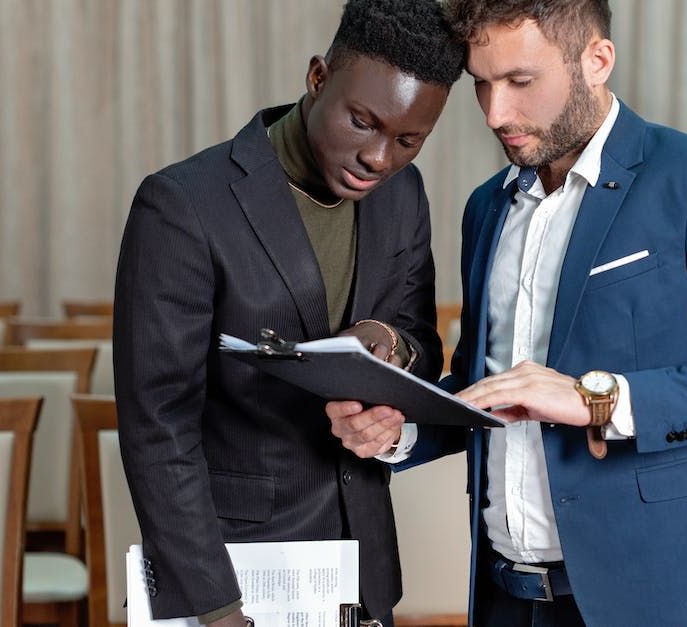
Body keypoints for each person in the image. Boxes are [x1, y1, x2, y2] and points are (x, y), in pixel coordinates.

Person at [326, 1, 687, 625]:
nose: (494, 112)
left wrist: (598, 401)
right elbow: (487, 390)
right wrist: (399, 431)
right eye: (481, 82)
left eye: (519, 81)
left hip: (665, 596)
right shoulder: (487, 208)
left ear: (597, 60)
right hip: (509, 597)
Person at [113, 2, 464, 624]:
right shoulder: (182, 206)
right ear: (318, 78)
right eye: (363, 122)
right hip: (236, 574)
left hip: (361, 573)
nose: (380, 158)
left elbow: (419, 343)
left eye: (408, 140)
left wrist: (385, 341)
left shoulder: (404, 196)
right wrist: (219, 610)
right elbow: (158, 424)